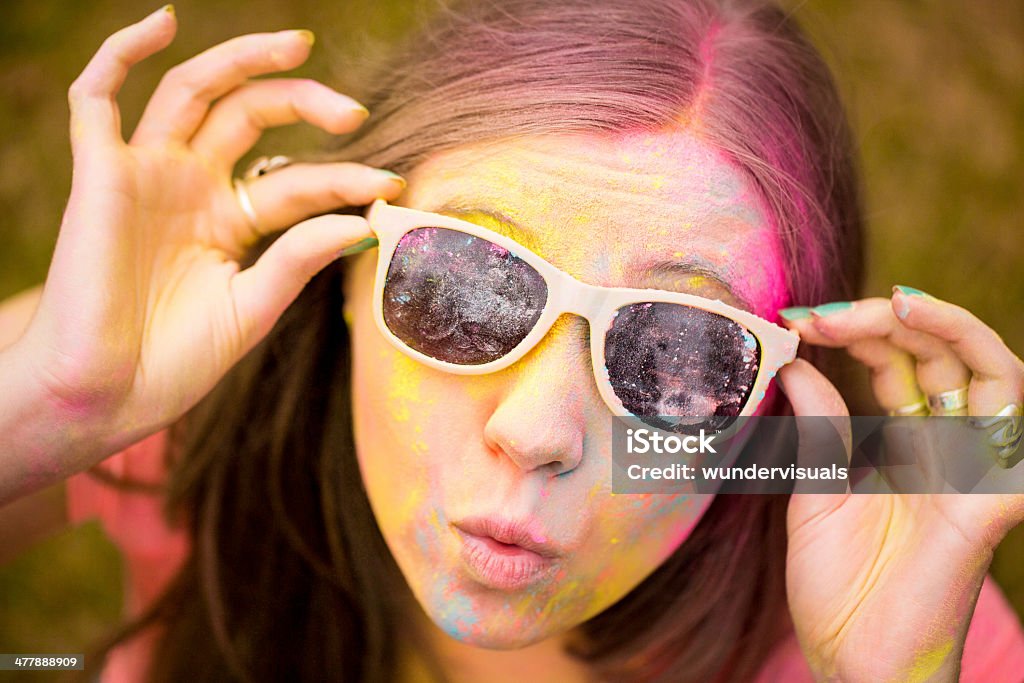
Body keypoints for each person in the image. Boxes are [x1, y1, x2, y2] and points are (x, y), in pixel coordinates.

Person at [0, 1, 1022, 681]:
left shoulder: (922, 624)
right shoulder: (187, 398)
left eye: (678, 350)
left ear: (776, 407)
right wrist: (42, 414)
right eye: (467, 287)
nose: (537, 429)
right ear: (342, 272)